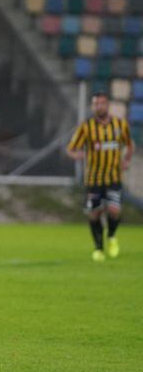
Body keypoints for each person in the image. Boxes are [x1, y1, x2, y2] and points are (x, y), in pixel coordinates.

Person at [66, 91, 134, 261]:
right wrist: (79, 156)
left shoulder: (120, 125)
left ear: (107, 105)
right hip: (93, 178)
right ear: (92, 106)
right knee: (94, 213)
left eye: (102, 103)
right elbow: (71, 149)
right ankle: (98, 248)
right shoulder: (86, 127)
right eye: (96, 104)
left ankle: (111, 236)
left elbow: (129, 145)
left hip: (113, 176)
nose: (99, 106)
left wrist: (126, 160)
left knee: (114, 210)